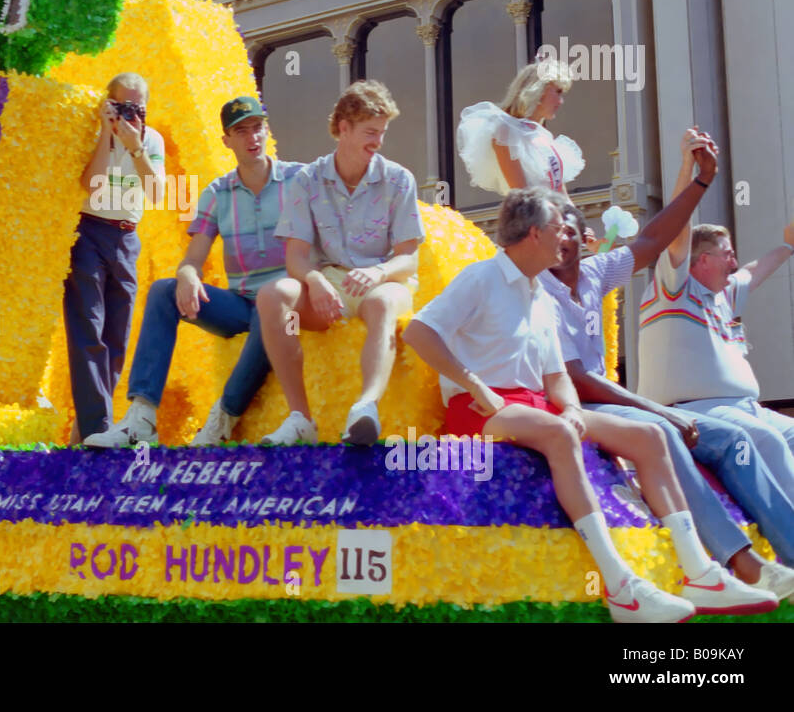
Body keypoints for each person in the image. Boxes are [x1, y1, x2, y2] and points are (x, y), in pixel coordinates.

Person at [403, 187, 778, 621]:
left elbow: (556, 376)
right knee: (562, 433)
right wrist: (476, 386)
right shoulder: (479, 278)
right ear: (535, 232)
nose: (570, 236)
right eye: (560, 228)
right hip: (478, 409)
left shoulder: (540, 296)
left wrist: (570, 408)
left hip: (531, 404)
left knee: (648, 434)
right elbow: (419, 332)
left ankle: (701, 573)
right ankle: (622, 588)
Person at [542, 128, 794, 599]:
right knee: (662, 433)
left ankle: (787, 558)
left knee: (739, 441)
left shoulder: (596, 273)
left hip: (684, 408)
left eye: (569, 227)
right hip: (574, 406)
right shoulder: (542, 292)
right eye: (552, 228)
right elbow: (577, 380)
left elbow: (655, 235)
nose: (564, 236)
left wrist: (701, 180)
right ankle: (735, 566)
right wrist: (662, 410)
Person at [85, 97, 305, 448]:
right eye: (241, 131)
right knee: (162, 291)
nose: (253, 137)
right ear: (226, 141)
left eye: (257, 127)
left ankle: (224, 416)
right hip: (240, 305)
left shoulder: (300, 179)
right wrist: (187, 275)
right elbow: (193, 258)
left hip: (289, 303)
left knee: (272, 302)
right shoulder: (217, 192)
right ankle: (141, 416)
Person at [256, 81, 424, 446]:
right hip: (330, 284)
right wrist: (315, 282)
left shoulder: (399, 179)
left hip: (385, 281)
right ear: (343, 128)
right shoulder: (307, 179)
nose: (378, 141)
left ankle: (365, 408)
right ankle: (301, 418)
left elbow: (408, 258)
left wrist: (377, 272)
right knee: (273, 295)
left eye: (381, 133)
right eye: (370, 132)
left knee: (381, 302)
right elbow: (296, 257)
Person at [637, 136, 794, 501]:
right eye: (728, 255)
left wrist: (788, 245)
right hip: (693, 412)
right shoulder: (673, 286)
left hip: (747, 408)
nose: (735, 263)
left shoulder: (722, 294)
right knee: (766, 440)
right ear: (702, 259)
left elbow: (755, 271)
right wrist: (689, 170)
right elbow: (675, 231)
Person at [63, 72, 165, 444]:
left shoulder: (151, 139)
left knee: (117, 338)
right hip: (88, 231)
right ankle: (98, 430)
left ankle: (84, 430)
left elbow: (156, 194)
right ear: (108, 104)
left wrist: (135, 146)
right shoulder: (94, 131)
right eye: (123, 106)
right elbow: (90, 184)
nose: (131, 114)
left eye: (138, 107)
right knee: (87, 329)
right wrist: (108, 134)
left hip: (126, 236)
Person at [456, 57, 585, 200]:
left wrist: (575, 220)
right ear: (539, 90)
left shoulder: (545, 137)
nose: (561, 101)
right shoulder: (505, 131)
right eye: (558, 92)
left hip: (555, 217)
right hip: (533, 218)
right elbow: (522, 193)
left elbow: (561, 193)